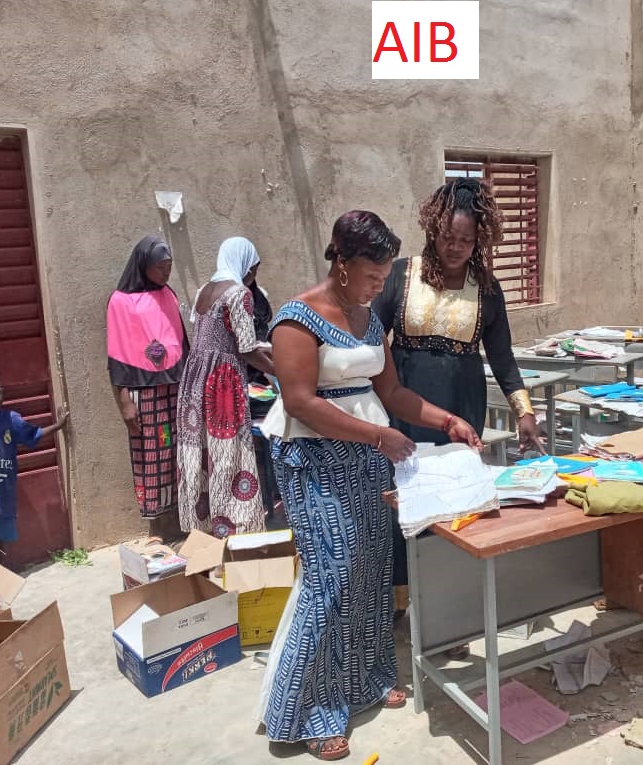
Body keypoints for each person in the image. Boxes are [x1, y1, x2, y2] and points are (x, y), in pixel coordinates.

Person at [257, 210, 482, 761]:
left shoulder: (367, 319)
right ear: (341, 264)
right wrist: (378, 437)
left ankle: (364, 681)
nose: (380, 285)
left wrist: (444, 419)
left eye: (384, 278)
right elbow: (300, 401)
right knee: (330, 581)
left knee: (370, 569)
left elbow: (394, 393)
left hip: (367, 459)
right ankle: (307, 709)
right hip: (316, 458)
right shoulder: (296, 318)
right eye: (372, 275)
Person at [372, 176, 544, 629]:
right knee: (402, 499)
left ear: (479, 240)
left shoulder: (487, 288)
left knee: (454, 504)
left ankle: (448, 609)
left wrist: (524, 411)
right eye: (448, 237)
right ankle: (400, 603)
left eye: (466, 241)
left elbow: (503, 358)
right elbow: (372, 341)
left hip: (462, 408)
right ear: (433, 230)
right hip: (403, 405)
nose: (455, 247)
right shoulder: (400, 276)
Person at [176, 236, 272, 537]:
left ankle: (201, 531)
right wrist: (279, 372)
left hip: (195, 380)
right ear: (244, 265)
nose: (252, 277)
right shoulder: (239, 294)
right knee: (228, 453)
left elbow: (215, 336)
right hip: (223, 383)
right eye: (252, 270)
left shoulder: (205, 290)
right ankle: (236, 530)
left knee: (200, 453)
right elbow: (246, 349)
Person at [107, 236, 188, 535]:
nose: (165, 274)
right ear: (144, 266)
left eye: (169, 267)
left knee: (179, 450)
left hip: (174, 387)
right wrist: (125, 401)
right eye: (160, 268)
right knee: (152, 454)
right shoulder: (120, 300)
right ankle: (159, 527)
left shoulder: (169, 294)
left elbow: (180, 341)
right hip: (144, 390)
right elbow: (118, 352)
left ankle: (184, 522)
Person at [0, 371, 69, 568]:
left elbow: (33, 434)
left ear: (2, 392)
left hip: (3, 490)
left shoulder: (11, 419)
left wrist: (58, 425)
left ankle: (1, 569)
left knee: (3, 530)